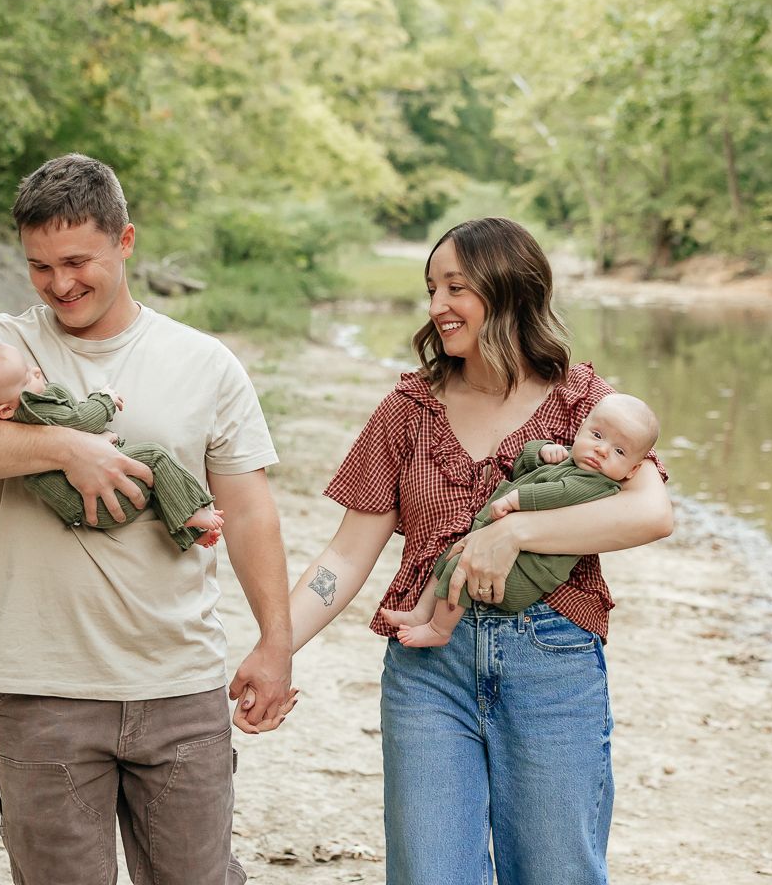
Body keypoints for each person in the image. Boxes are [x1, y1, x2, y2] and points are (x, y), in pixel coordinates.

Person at [0, 153, 293, 884]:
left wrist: (275, 643)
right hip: (43, 686)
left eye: (77, 260)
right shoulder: (2, 347)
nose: (60, 285)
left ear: (125, 242)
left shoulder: (203, 362)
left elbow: (248, 511)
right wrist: (66, 446)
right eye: (39, 266)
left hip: (179, 683)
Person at [285, 217, 674, 885]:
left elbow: (650, 511)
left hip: (553, 670)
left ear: (510, 292)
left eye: (455, 287)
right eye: (431, 287)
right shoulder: (408, 410)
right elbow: (345, 556)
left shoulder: (585, 406)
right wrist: (273, 646)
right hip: (428, 675)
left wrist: (514, 532)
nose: (437, 306)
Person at [379, 393, 661, 648]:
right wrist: (540, 451)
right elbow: (521, 466)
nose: (602, 450)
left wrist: (514, 501)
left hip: (526, 572)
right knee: (450, 555)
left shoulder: (598, 484)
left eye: (619, 451)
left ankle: (439, 629)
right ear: (581, 428)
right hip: (500, 552)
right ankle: (420, 613)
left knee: (459, 572)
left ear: (632, 470)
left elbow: (557, 494)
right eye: (597, 435)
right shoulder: (569, 461)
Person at [0, 341, 226, 548]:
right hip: (102, 501)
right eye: (27, 377)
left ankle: (192, 532)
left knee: (156, 491)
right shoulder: (35, 411)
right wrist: (104, 399)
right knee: (156, 457)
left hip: (91, 505)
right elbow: (81, 420)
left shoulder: (7, 425)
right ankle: (193, 511)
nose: (36, 372)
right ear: (5, 410)